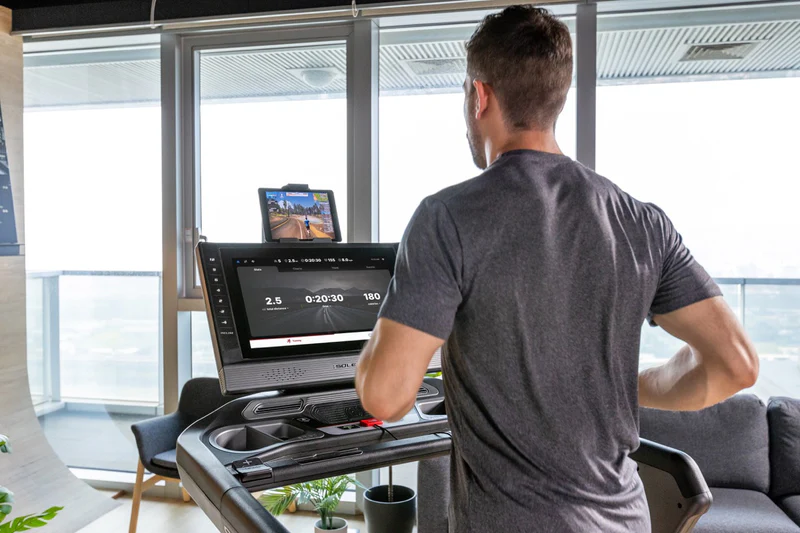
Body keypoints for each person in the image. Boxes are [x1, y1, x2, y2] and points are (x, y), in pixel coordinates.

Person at [355, 5, 759, 533]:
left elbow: (384, 397)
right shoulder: (641, 222)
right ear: (557, 100)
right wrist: (620, 385)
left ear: (480, 96)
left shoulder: (446, 218)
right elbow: (736, 367)